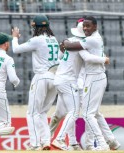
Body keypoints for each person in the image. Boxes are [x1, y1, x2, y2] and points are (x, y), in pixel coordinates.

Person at [51, 20, 110, 151]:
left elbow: (59, 57)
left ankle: (71, 142)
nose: (86, 29)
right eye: (85, 27)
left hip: (59, 79)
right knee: (74, 113)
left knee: (67, 113)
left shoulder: (69, 42)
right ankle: (59, 139)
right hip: (69, 81)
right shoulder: (79, 45)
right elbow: (88, 58)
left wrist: (64, 44)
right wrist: (104, 59)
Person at [12, 15, 59, 150]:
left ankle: (35, 144)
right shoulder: (54, 39)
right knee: (42, 112)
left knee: (32, 113)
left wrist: (15, 37)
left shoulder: (37, 39)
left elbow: (16, 49)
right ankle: (46, 141)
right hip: (54, 77)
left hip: (41, 77)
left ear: (35, 27)